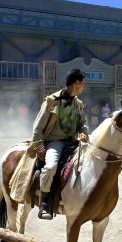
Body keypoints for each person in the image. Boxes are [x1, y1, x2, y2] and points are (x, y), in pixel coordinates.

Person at [32, 69, 89, 220]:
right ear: (76, 83)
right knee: (51, 167)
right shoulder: (51, 101)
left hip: (73, 142)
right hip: (55, 141)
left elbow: (83, 123)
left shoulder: (78, 104)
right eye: (83, 84)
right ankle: (44, 202)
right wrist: (39, 146)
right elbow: (37, 127)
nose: (84, 87)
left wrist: (84, 132)